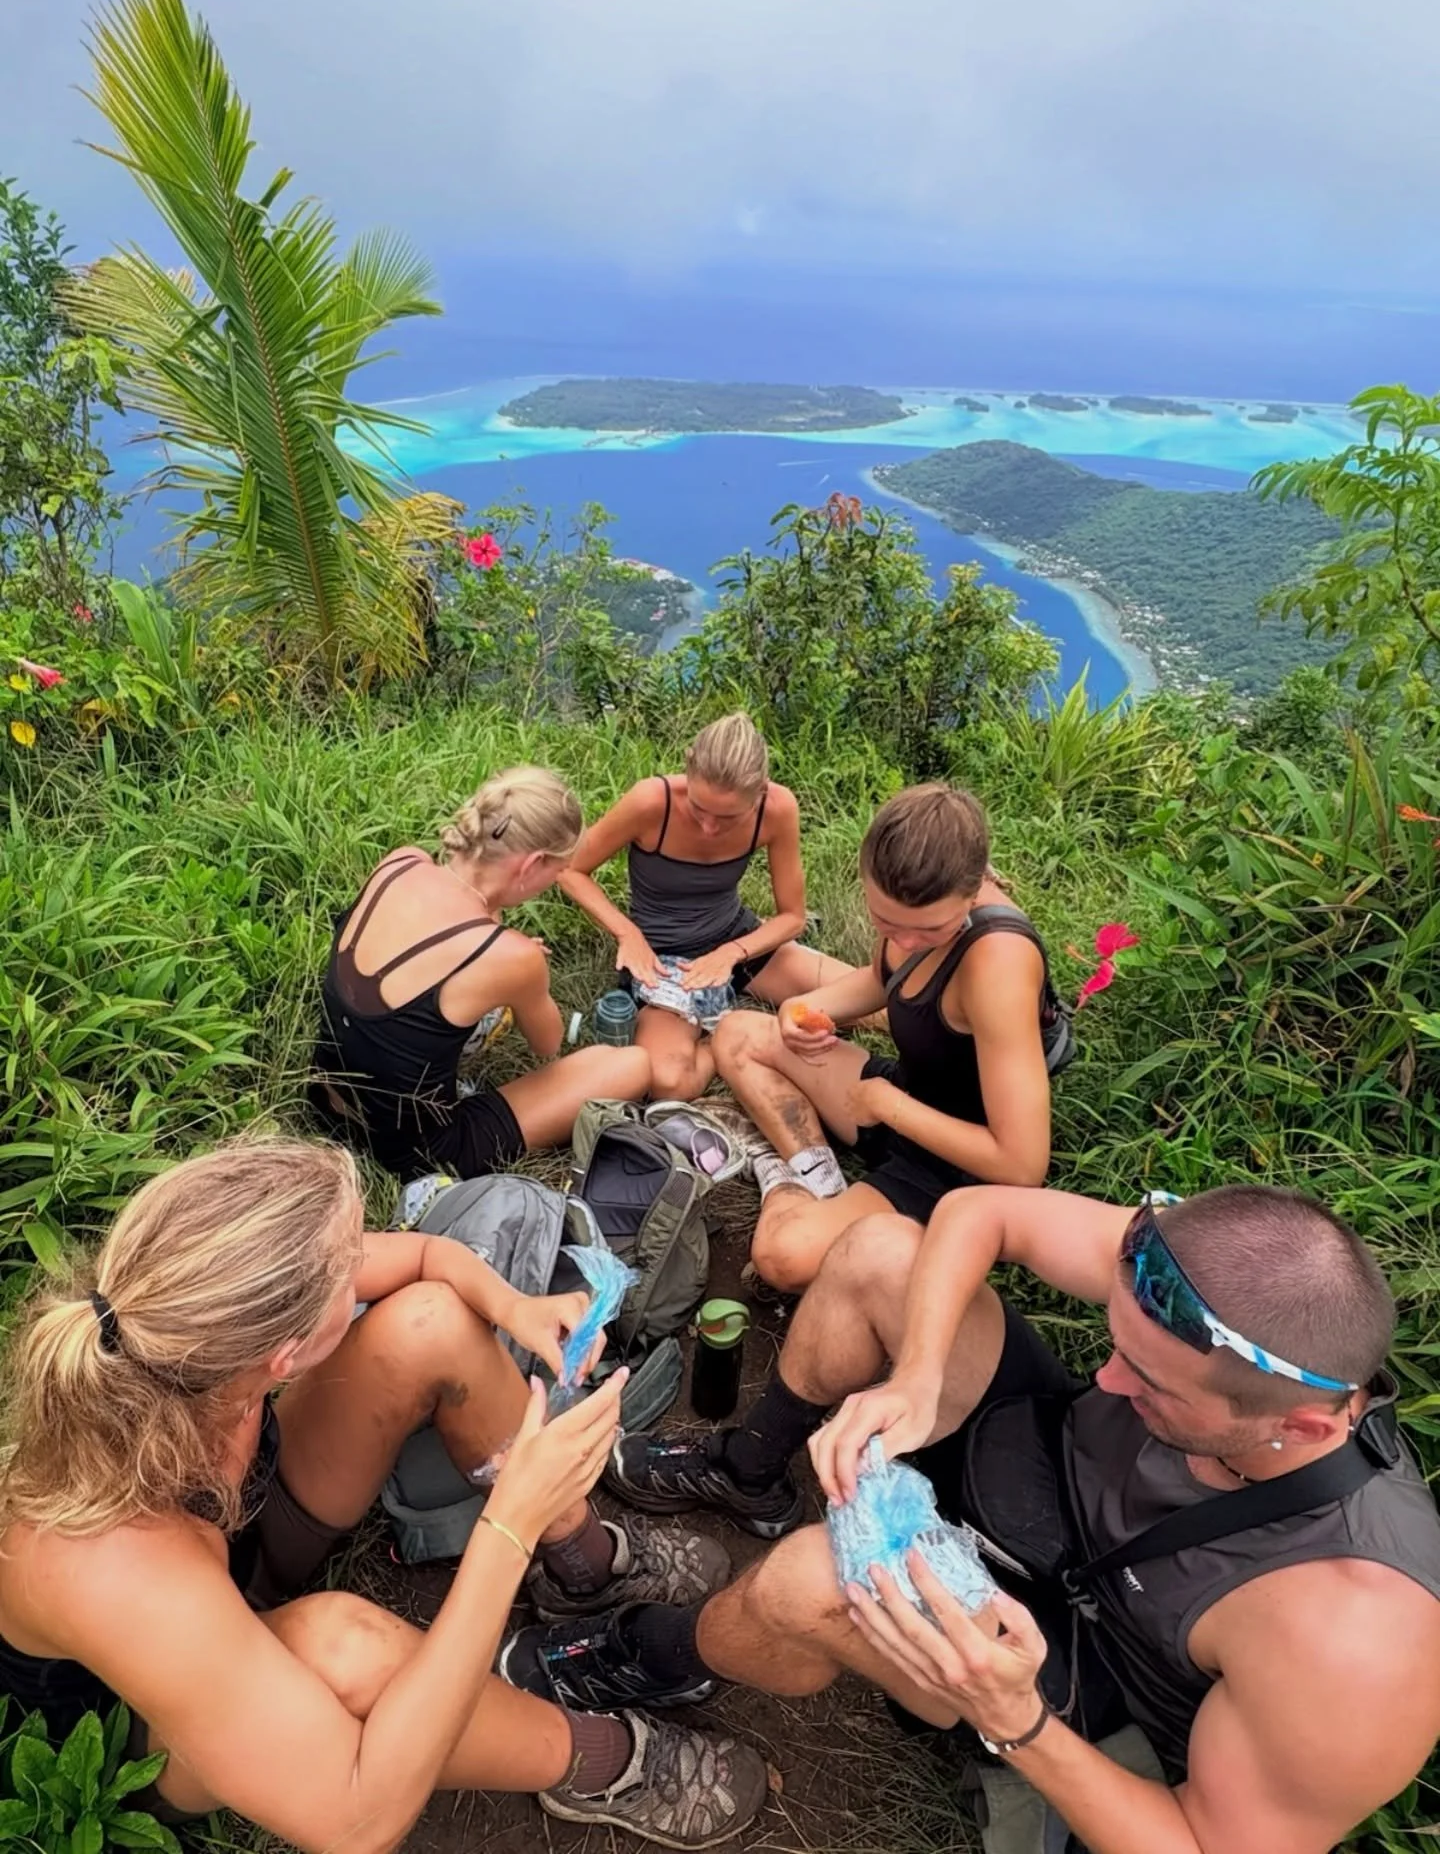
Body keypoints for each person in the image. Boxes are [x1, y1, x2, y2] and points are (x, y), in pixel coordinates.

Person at [503, 1183, 1440, 1854]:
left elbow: (1208, 1844)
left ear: (1307, 1424)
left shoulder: (1357, 1641)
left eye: (1146, 1383)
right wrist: (914, 1378)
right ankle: (749, 1471)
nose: (1108, 1381)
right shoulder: (1204, 1283)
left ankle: (662, 1659)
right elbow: (979, 1213)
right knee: (880, 1257)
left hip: (1077, 1665)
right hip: (1040, 1469)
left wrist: (1018, 1721)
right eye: (1113, 1348)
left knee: (807, 1578)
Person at [0, 1140, 765, 1852]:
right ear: (288, 1353)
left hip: (231, 1551)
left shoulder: (186, 1322)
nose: (361, 1259)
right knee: (344, 1648)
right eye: (344, 1263)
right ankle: (603, 1760)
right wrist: (507, 1527)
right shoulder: (107, 1564)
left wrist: (512, 1307)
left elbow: (430, 1255)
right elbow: (356, 1816)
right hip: (142, 1717)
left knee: (428, 1321)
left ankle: (585, 1564)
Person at [710, 782, 1056, 1291]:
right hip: (905, 1095)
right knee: (738, 1033)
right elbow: (882, 979)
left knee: (782, 1257)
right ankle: (820, 1177)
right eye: (886, 922)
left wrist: (890, 1107)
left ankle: (785, 1178)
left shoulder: (998, 964)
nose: (906, 941)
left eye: (929, 931)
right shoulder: (910, 900)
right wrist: (805, 1008)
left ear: (972, 892)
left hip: (957, 1161)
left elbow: (1023, 1164)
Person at [311, 764, 650, 1179]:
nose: (553, 881)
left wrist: (501, 940)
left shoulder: (399, 863)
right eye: (556, 871)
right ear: (532, 865)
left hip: (328, 1100)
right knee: (630, 1065)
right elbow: (548, 1043)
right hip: (415, 1154)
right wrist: (522, 963)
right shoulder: (511, 956)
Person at [558, 711, 855, 1100]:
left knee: (879, 1004)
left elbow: (792, 917)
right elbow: (570, 871)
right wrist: (627, 933)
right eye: (699, 809)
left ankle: (738, 1021)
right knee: (666, 1081)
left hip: (738, 939)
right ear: (688, 769)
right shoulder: (651, 802)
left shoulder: (778, 808)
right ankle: (737, 1037)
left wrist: (731, 954)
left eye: (729, 817)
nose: (710, 827)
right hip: (662, 959)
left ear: (761, 791)